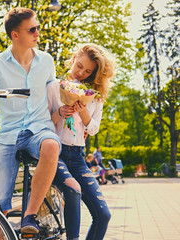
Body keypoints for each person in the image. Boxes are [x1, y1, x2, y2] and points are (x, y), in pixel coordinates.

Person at [0, 7, 61, 236]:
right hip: (8, 136)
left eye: (38, 27)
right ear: (15, 35)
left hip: (39, 130)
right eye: (32, 29)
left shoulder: (46, 61)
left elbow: (55, 97)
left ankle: (30, 216)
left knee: (51, 145)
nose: (38, 32)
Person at [47, 43, 116, 240]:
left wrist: (83, 111)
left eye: (88, 71)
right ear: (74, 57)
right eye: (79, 66)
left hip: (77, 157)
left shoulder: (94, 97)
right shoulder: (53, 86)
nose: (81, 73)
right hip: (55, 154)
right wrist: (59, 113)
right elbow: (42, 124)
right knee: (72, 190)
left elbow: (93, 129)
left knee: (103, 215)